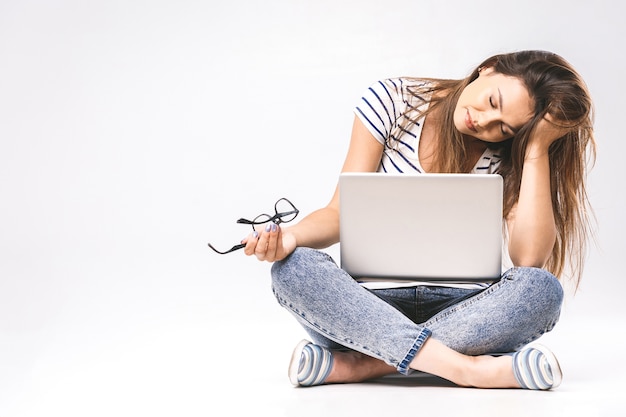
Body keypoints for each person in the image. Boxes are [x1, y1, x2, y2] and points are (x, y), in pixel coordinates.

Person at [242, 50, 596, 390]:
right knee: (294, 267)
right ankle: (467, 369)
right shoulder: (394, 101)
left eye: (503, 128)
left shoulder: (510, 153)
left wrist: (535, 150)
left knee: (541, 289)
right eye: (492, 103)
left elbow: (529, 260)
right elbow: (339, 213)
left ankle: (363, 364)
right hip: (367, 305)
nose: (484, 122)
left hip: (464, 310)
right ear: (488, 68)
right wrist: (290, 238)